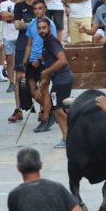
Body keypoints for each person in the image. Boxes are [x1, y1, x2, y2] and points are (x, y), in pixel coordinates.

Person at [38, 18, 74, 149]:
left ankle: (67, 138)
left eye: (44, 27)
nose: (41, 30)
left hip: (62, 79)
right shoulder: (47, 42)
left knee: (58, 109)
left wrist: (47, 72)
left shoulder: (52, 41)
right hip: (60, 79)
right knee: (59, 108)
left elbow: (62, 60)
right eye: (39, 28)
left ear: (49, 28)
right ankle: (69, 137)